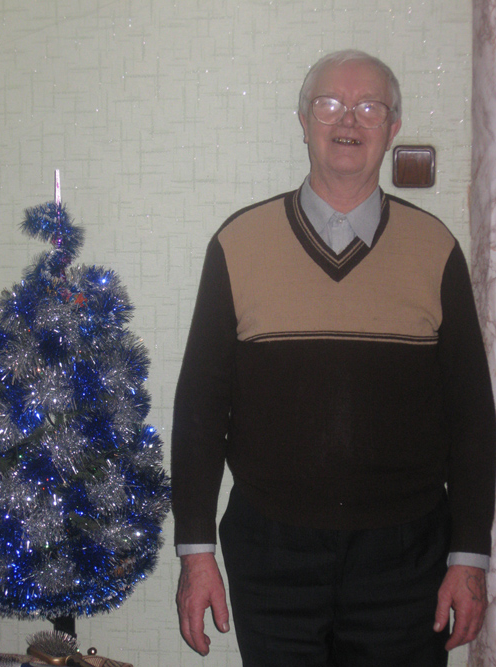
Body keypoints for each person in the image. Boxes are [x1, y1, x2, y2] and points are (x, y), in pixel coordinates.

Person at [171, 49, 496, 666]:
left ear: (392, 128)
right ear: (303, 121)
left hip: (408, 556)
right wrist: (195, 551)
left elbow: (472, 416)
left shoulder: (435, 248)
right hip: (271, 551)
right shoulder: (239, 243)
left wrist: (470, 556)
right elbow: (199, 408)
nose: (348, 119)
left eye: (370, 106)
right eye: (329, 104)